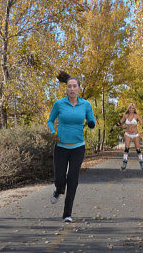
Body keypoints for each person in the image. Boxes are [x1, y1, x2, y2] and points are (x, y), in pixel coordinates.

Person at [47, 72, 95, 223]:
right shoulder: (59, 104)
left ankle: (67, 213)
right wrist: (53, 132)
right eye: (69, 87)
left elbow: (91, 119)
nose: (72, 89)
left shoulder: (85, 104)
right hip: (61, 147)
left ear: (79, 89)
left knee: (73, 179)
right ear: (66, 89)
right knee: (60, 178)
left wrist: (92, 123)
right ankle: (59, 189)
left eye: (75, 86)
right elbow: (50, 121)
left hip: (78, 148)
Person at [110, 103, 143, 171]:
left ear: (134, 109)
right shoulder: (125, 116)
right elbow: (119, 123)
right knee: (126, 149)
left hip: (135, 134)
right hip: (128, 134)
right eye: (130, 108)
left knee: (138, 149)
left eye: (133, 108)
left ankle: (141, 163)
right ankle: (124, 163)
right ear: (128, 109)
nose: (131, 109)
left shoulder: (137, 116)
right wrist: (112, 129)